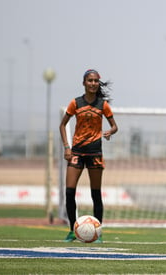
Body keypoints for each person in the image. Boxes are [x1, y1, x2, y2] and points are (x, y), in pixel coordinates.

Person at [59, 69, 118, 243]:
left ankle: (97, 232)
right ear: (84, 83)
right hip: (76, 152)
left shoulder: (103, 105)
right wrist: (66, 147)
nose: (93, 83)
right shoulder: (75, 103)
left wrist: (109, 132)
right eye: (90, 80)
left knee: (96, 194)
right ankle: (71, 230)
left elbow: (115, 126)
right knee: (69, 192)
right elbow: (63, 125)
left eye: (95, 81)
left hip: (95, 153)